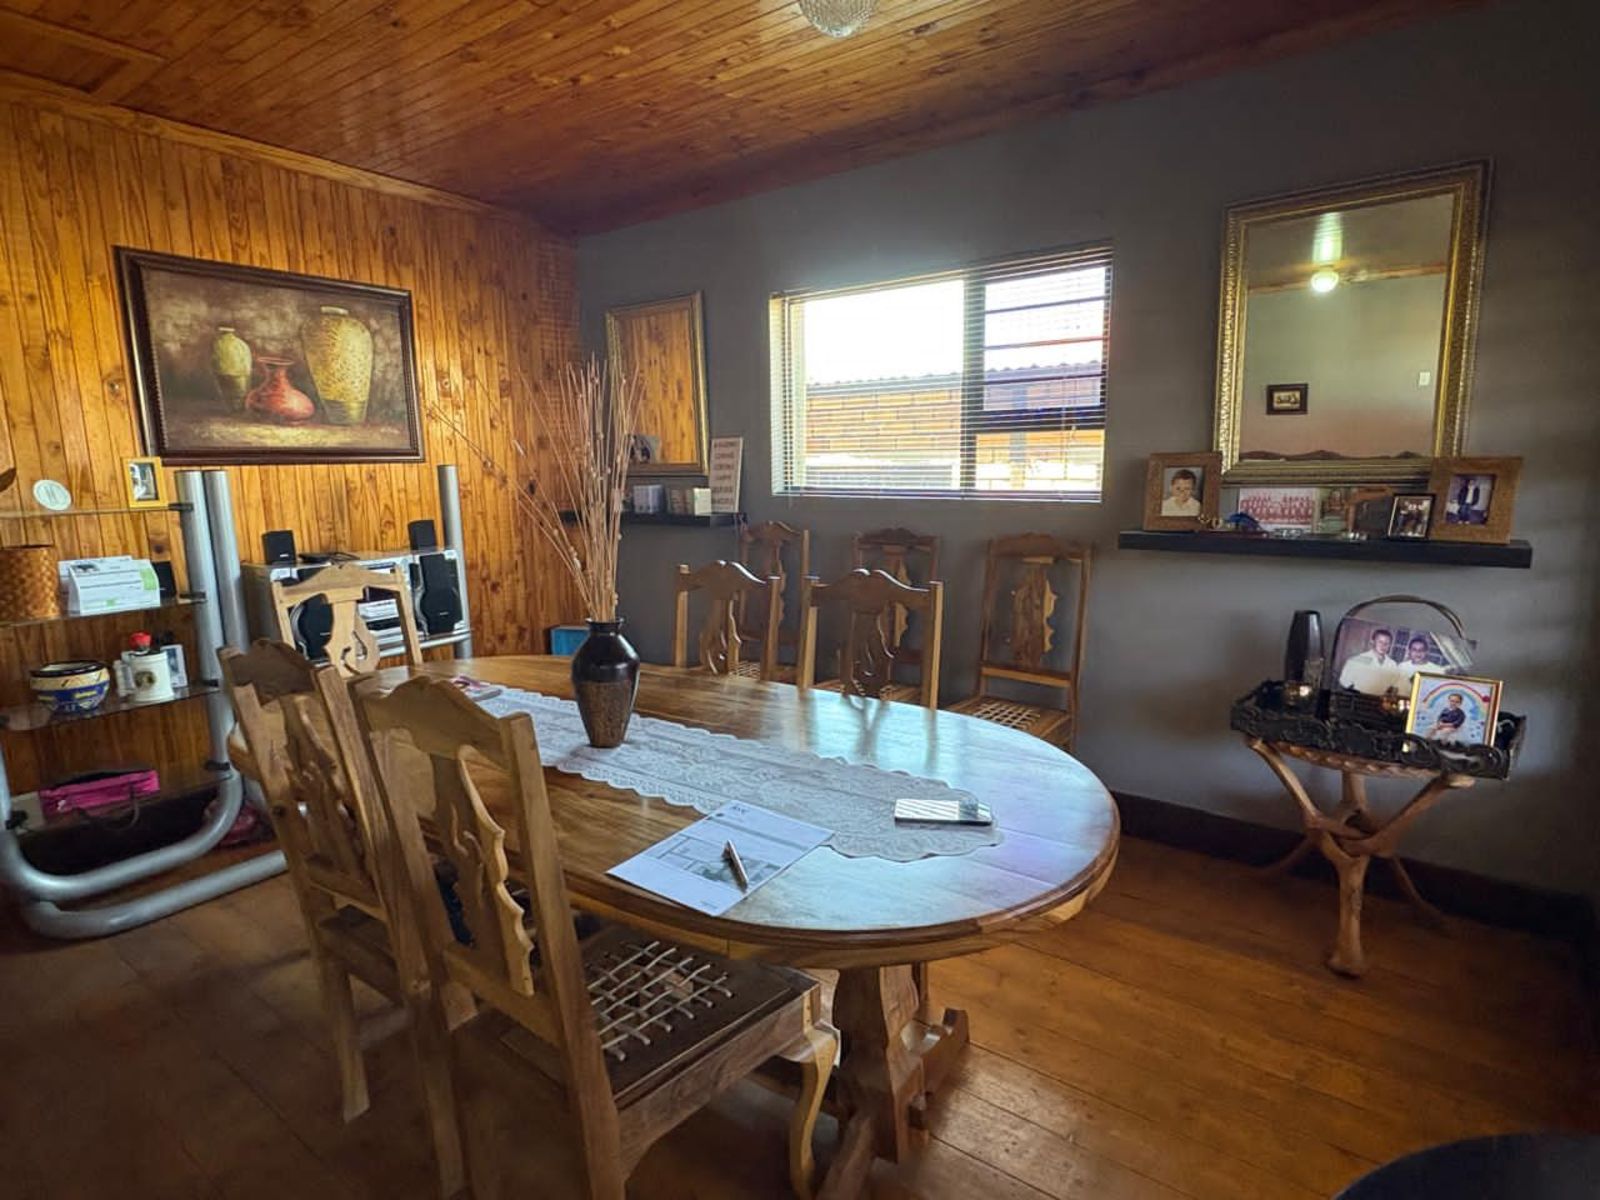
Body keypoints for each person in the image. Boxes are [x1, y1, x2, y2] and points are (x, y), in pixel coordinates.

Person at [1338, 628, 1401, 693]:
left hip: (1380, 698)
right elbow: (1344, 682)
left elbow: (1394, 685)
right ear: (1372, 642)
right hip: (1359, 697)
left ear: (1390, 645)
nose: (1383, 645)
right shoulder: (1356, 660)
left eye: (1386, 643)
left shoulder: (1392, 664)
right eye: (1380, 642)